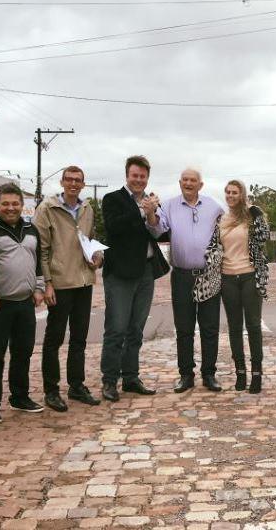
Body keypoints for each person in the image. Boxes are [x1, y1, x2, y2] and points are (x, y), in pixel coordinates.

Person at [144, 168, 224, 393]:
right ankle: (186, 375)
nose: (189, 183)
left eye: (193, 180)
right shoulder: (168, 205)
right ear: (180, 183)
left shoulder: (214, 207)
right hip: (182, 276)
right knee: (184, 328)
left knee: (210, 328)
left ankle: (209, 374)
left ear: (201, 184)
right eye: (185, 180)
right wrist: (151, 213)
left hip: (209, 275)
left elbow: (226, 232)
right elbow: (158, 229)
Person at [100, 155, 170, 402]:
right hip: (120, 272)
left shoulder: (151, 201)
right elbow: (114, 227)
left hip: (146, 272)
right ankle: (109, 380)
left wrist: (152, 215)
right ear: (127, 175)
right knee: (116, 329)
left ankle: (131, 377)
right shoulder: (113, 199)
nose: (139, 180)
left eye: (143, 176)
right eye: (135, 175)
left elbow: (161, 233)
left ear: (147, 177)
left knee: (136, 330)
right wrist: (141, 210)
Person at [34, 165, 102, 412]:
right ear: (62, 182)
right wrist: (47, 283)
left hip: (84, 281)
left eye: (78, 180)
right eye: (69, 179)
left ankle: (76, 385)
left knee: (79, 339)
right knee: (54, 339)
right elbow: (40, 249)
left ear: (83, 184)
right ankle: (51, 390)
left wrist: (97, 258)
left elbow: (91, 240)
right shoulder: (47, 209)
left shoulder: (87, 208)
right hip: (60, 283)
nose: (74, 184)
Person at [0, 183, 46, 423]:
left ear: (22, 205)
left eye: (15, 204)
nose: (10, 208)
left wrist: (39, 288)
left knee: (23, 352)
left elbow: (36, 262)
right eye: (5, 204)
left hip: (25, 302)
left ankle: (20, 397)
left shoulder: (31, 228)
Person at [198, 180, 269, 393]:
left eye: (234, 192)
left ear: (242, 194)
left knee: (254, 326)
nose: (230, 195)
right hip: (227, 278)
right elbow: (213, 246)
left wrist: (258, 217)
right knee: (234, 327)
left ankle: (256, 374)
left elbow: (263, 238)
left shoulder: (251, 215)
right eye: (227, 192)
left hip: (249, 276)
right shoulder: (221, 219)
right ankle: (240, 372)